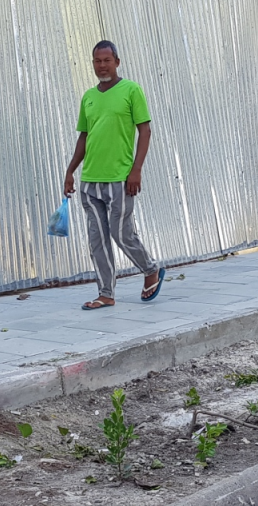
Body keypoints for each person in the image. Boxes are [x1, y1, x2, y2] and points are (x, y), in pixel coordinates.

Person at [63, 41, 164, 311]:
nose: (102, 65)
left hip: (120, 177)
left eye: (107, 60)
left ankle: (150, 269)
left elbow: (145, 131)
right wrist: (71, 171)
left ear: (117, 62)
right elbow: (84, 136)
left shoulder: (131, 90)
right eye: (97, 61)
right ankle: (106, 293)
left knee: (121, 233)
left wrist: (137, 169)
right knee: (97, 239)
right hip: (90, 179)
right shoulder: (88, 97)